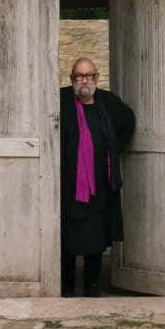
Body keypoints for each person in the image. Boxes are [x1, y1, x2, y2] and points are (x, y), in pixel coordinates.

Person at [58, 58, 135, 297]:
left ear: (96, 78)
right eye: (79, 76)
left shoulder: (108, 102)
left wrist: (114, 149)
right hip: (68, 186)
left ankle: (92, 285)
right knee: (67, 238)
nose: (84, 80)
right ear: (71, 80)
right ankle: (67, 286)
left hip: (100, 186)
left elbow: (128, 122)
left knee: (96, 237)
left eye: (89, 75)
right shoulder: (60, 101)